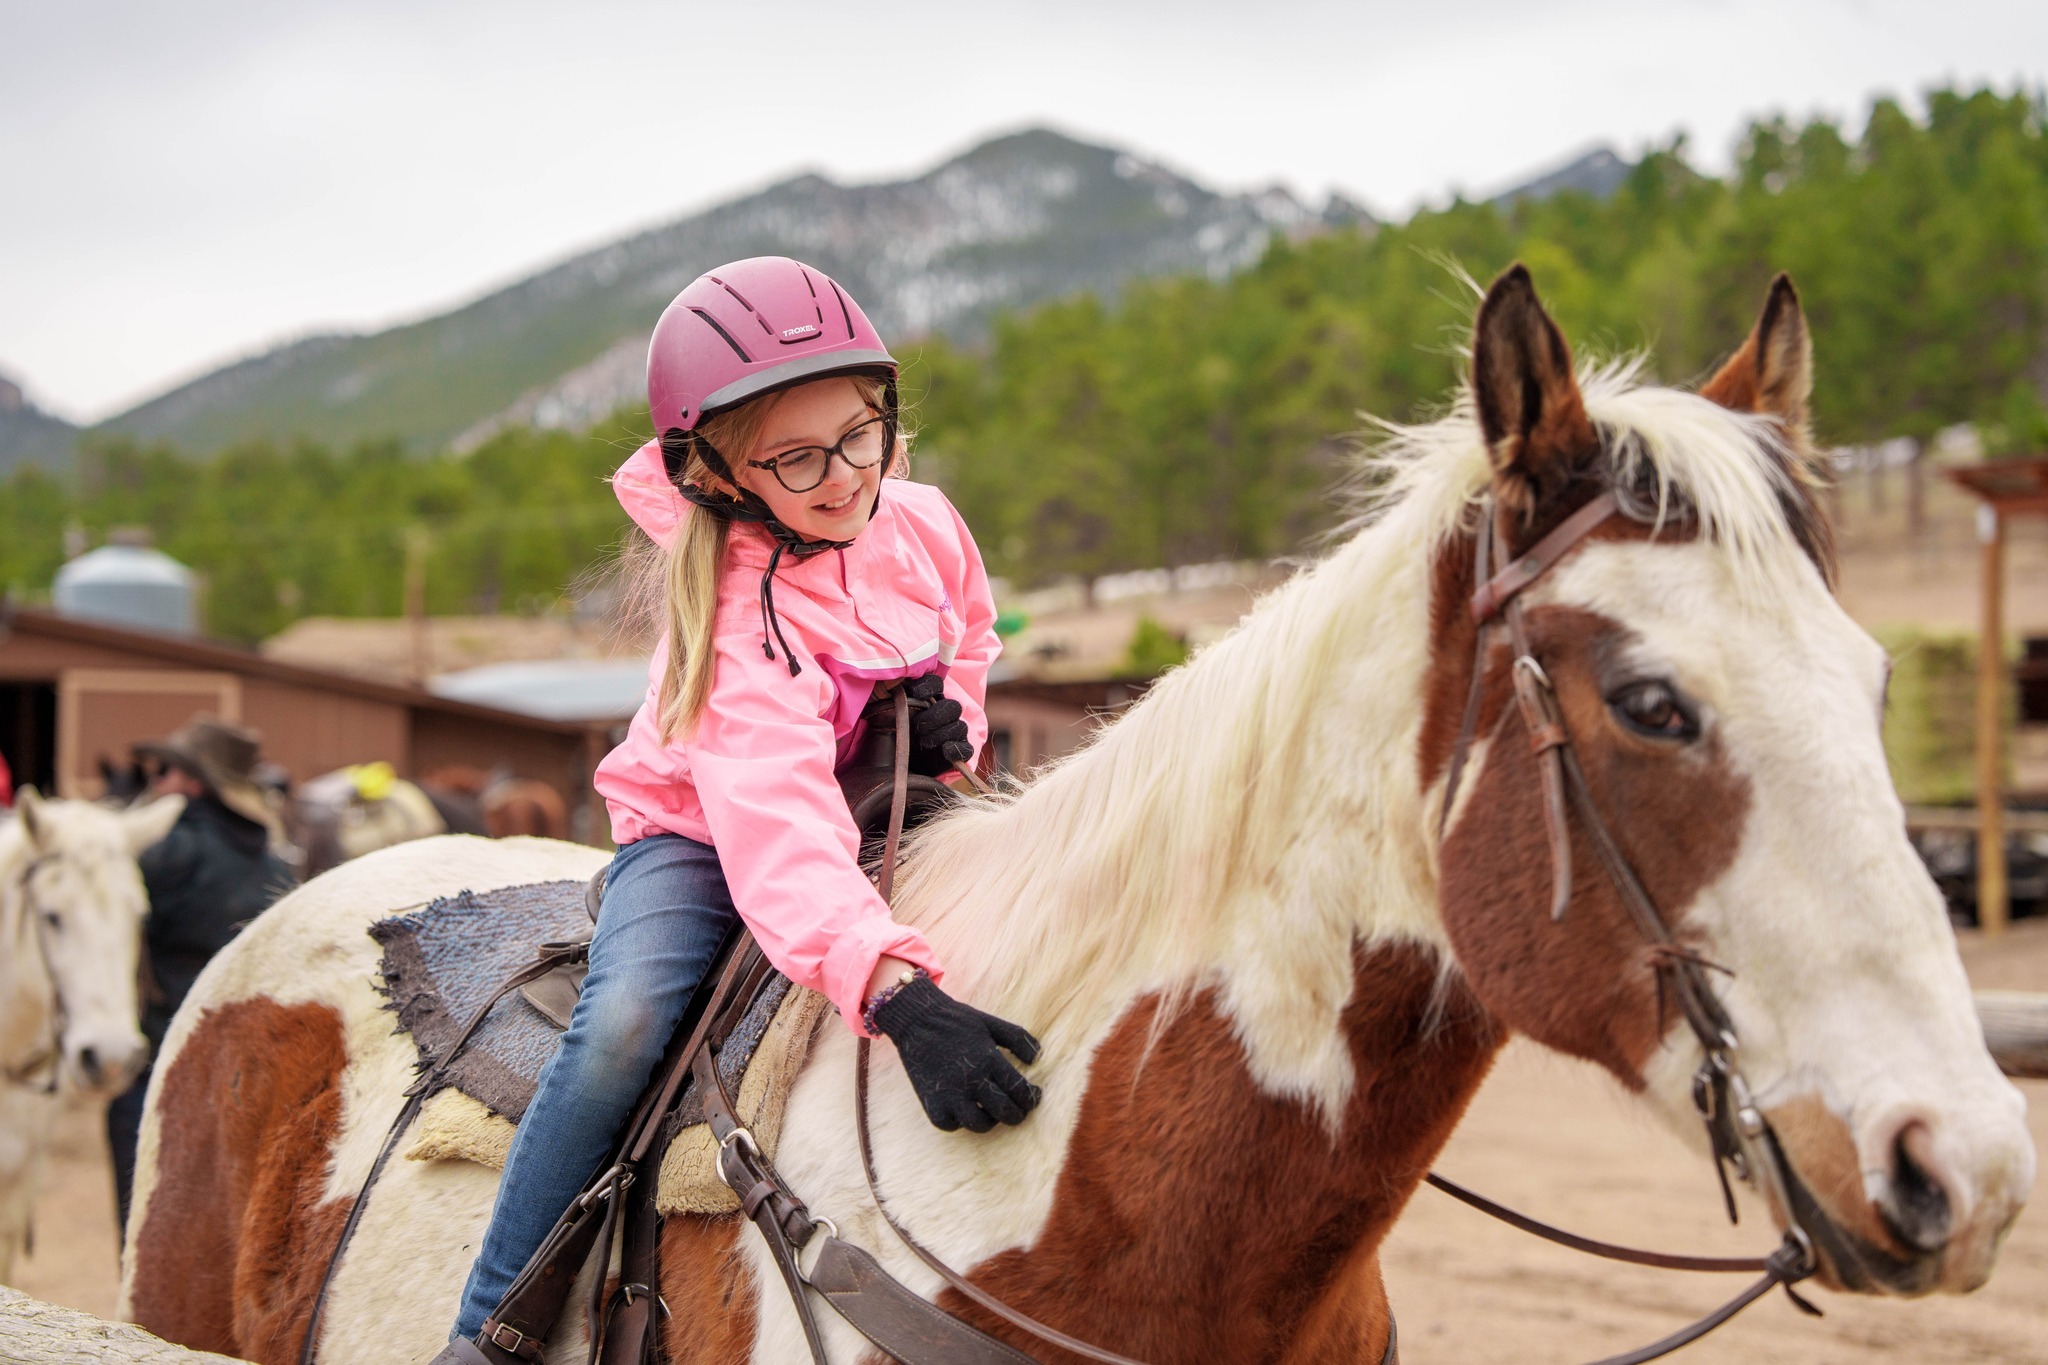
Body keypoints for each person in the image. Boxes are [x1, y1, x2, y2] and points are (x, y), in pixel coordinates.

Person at [438, 257, 1041, 1363]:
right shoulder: (732, 608)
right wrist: (893, 994)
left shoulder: (922, 520)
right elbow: (772, 826)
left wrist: (949, 719)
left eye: (862, 434)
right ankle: (489, 1328)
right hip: (710, 840)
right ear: (713, 473)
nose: (845, 476)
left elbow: (973, 628)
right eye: (797, 458)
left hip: (874, 807)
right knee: (620, 1027)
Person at [107, 715, 296, 1229]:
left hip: (165, 1055)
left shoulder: (168, 852)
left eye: (165, 770)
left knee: (146, 1216)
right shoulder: (277, 864)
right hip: (249, 1066)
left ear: (192, 783)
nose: (157, 781)